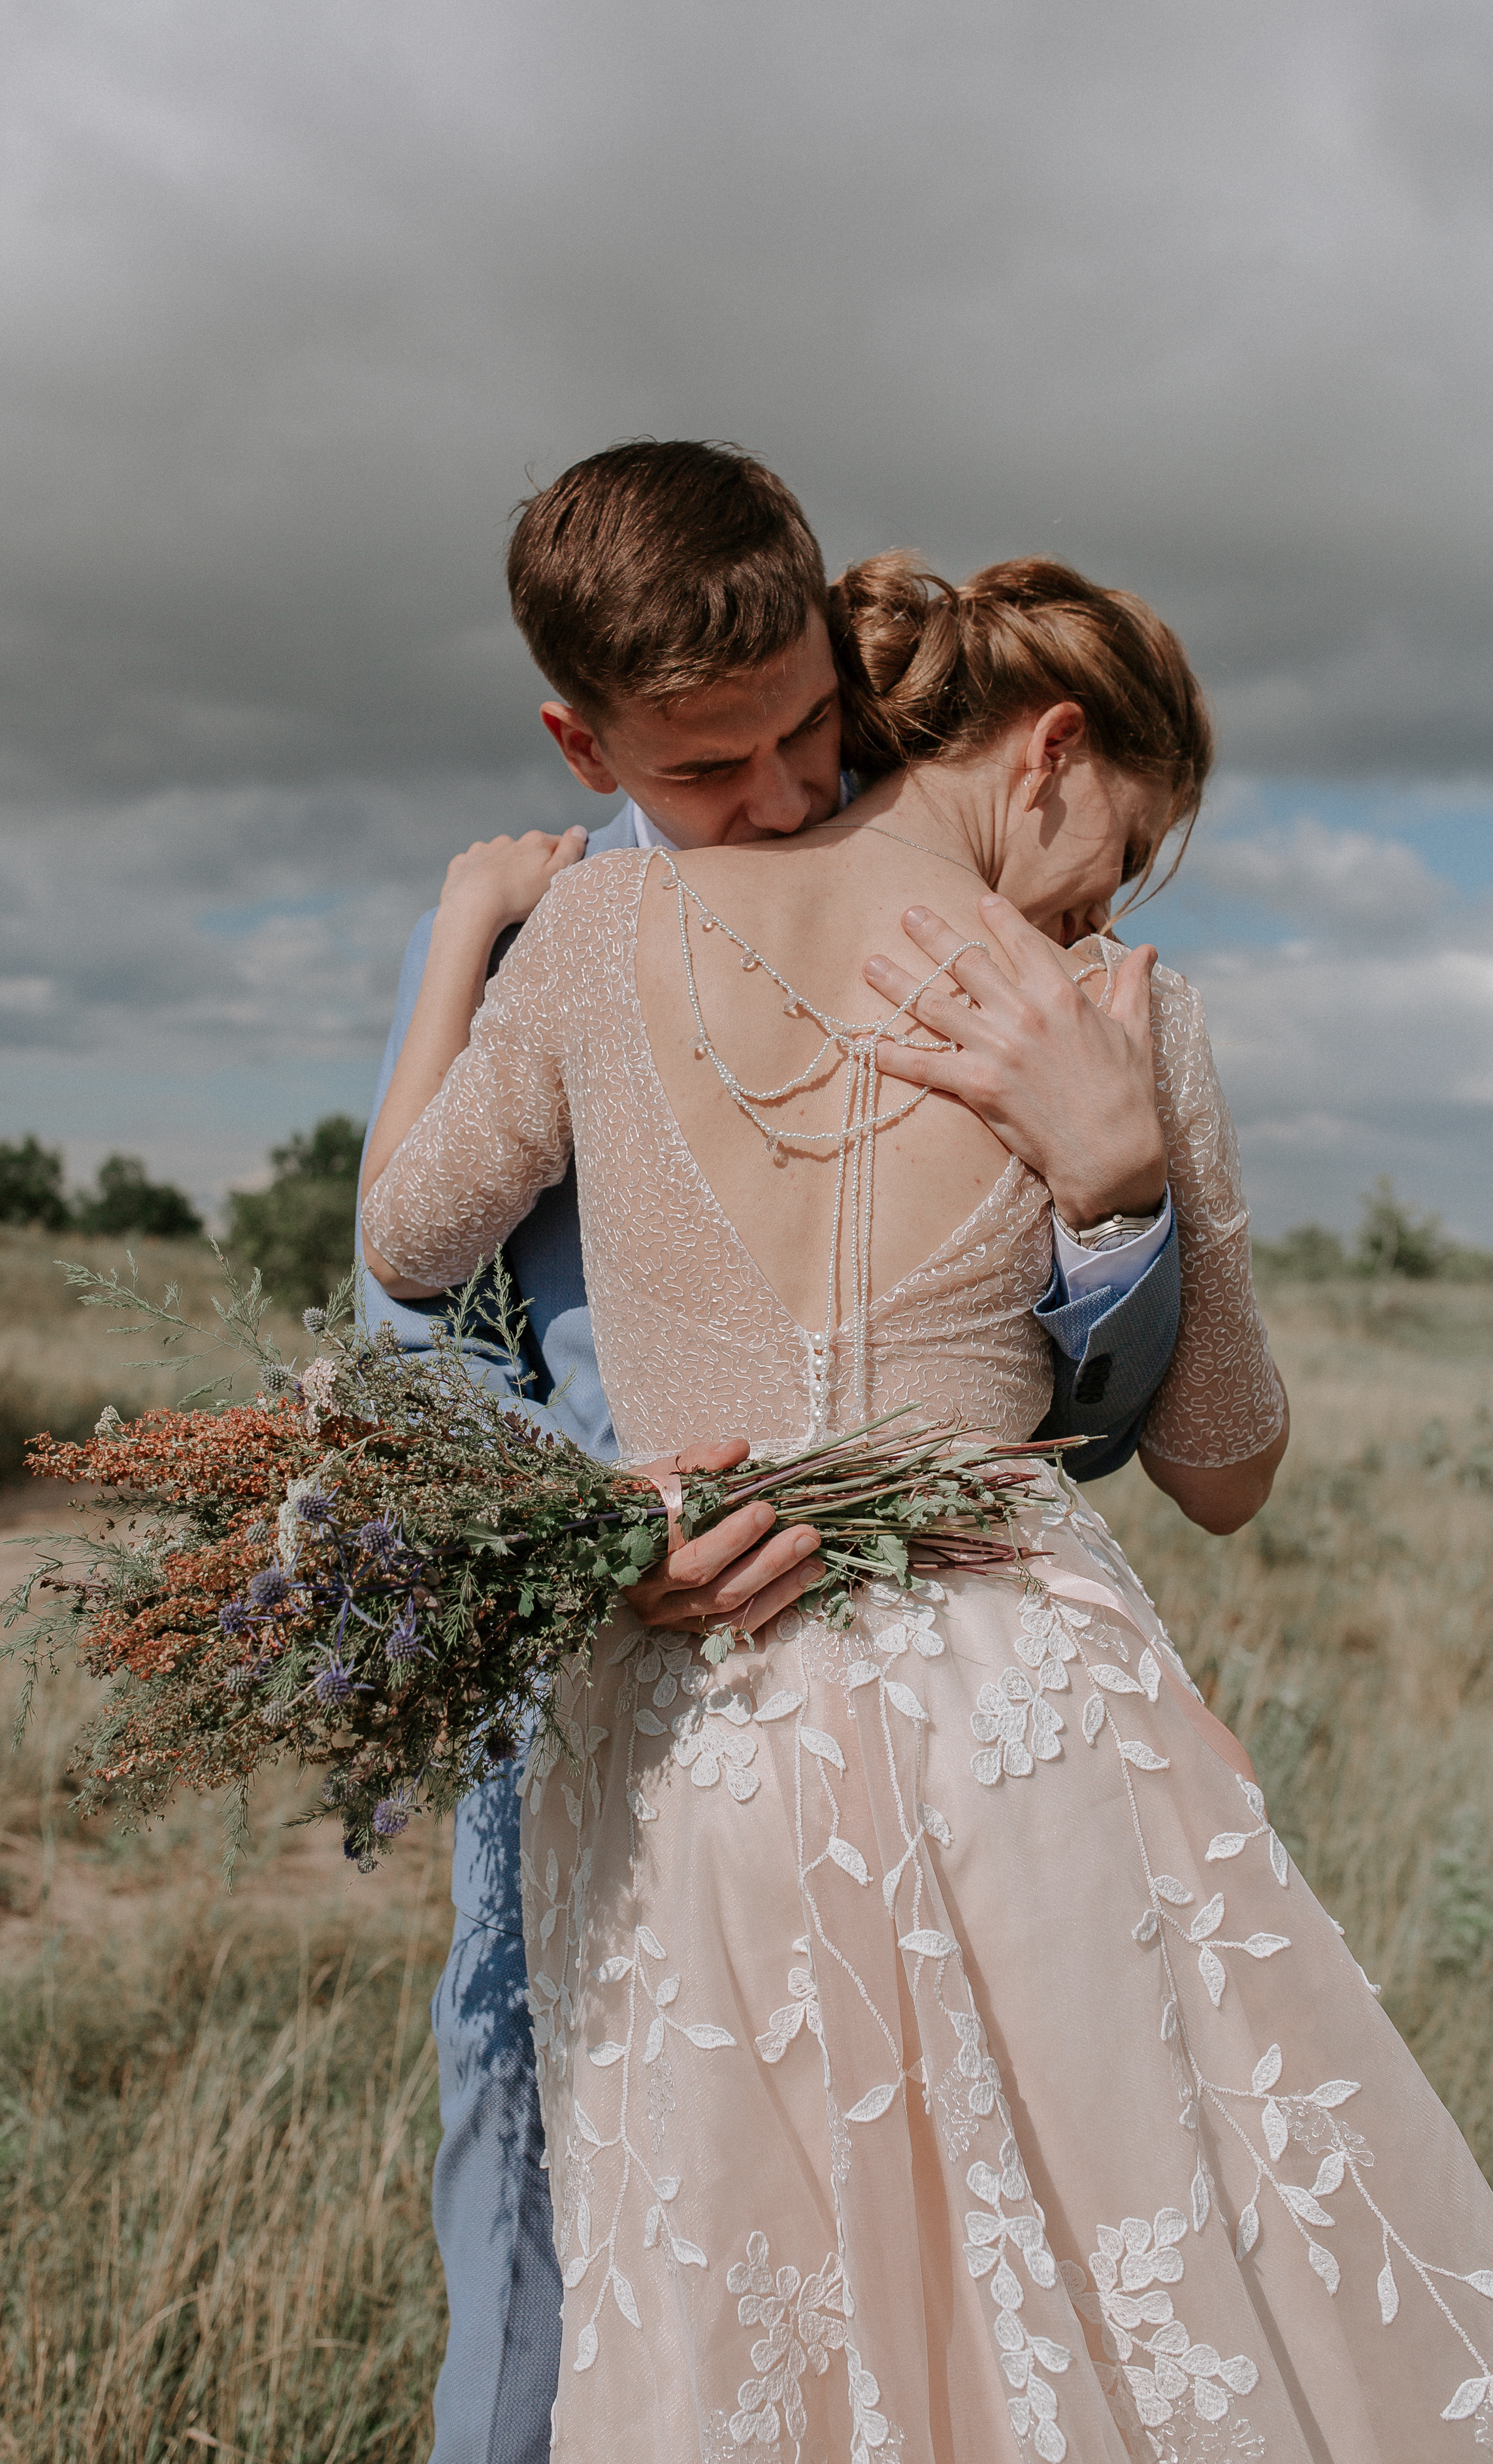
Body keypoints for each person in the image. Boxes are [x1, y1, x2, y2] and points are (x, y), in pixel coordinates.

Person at [361, 547, 1493, 2461]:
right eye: (1124, 840)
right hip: (1018, 1712)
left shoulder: (593, 939)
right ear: (1053, 748)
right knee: (1131, 2286)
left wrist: (464, 940)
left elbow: (402, 1239)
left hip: (690, 1723)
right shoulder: (1111, 1006)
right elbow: (1222, 1466)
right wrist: (1122, 1174)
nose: (1109, 897)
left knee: (773, 2319)